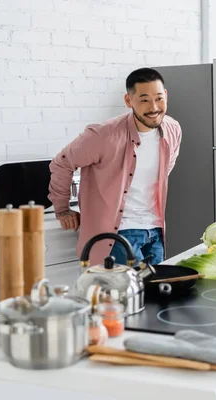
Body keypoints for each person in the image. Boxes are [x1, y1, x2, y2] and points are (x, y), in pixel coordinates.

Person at [48, 68, 182, 267]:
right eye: (144, 99)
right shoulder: (104, 135)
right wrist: (62, 209)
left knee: (152, 298)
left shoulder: (172, 129)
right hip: (119, 236)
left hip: (155, 232)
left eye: (159, 98)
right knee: (119, 297)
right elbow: (62, 163)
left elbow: (165, 172)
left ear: (166, 96)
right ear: (129, 101)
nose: (154, 107)